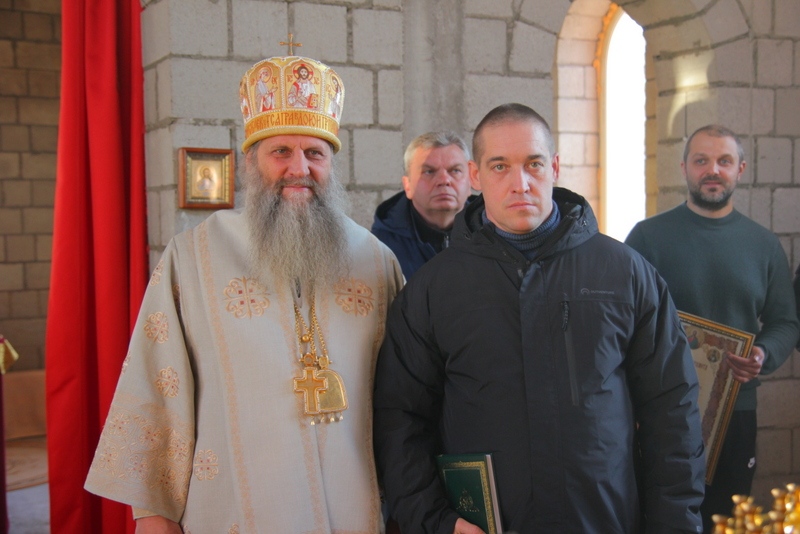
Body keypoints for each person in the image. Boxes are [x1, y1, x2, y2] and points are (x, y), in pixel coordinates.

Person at [85, 55, 403, 533]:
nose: (299, 168)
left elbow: (407, 397)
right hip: (233, 509)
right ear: (250, 161)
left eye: (315, 153)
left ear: (332, 164)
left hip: (356, 508)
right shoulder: (194, 257)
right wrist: (153, 514)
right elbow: (159, 380)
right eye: (281, 152)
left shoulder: (376, 262)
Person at [373, 103, 705, 533]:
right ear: (476, 176)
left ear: (555, 168)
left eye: (534, 164)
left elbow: (672, 410)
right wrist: (437, 521)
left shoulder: (624, 273)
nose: (521, 183)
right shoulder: (433, 289)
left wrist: (674, 525)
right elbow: (400, 418)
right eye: (500, 166)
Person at [625, 124, 800, 531]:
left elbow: (785, 322)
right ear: (684, 167)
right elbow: (620, 320)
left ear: (740, 169)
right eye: (701, 160)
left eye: (724, 161)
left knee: (725, 518)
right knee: (660, 517)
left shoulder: (763, 244)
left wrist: (763, 354)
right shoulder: (647, 238)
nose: (713, 170)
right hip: (660, 409)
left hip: (735, 410)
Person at [371, 131, 472, 279]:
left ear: (470, 182)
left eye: (455, 170)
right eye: (429, 171)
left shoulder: (496, 235)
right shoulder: (381, 250)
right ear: (407, 185)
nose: (444, 180)